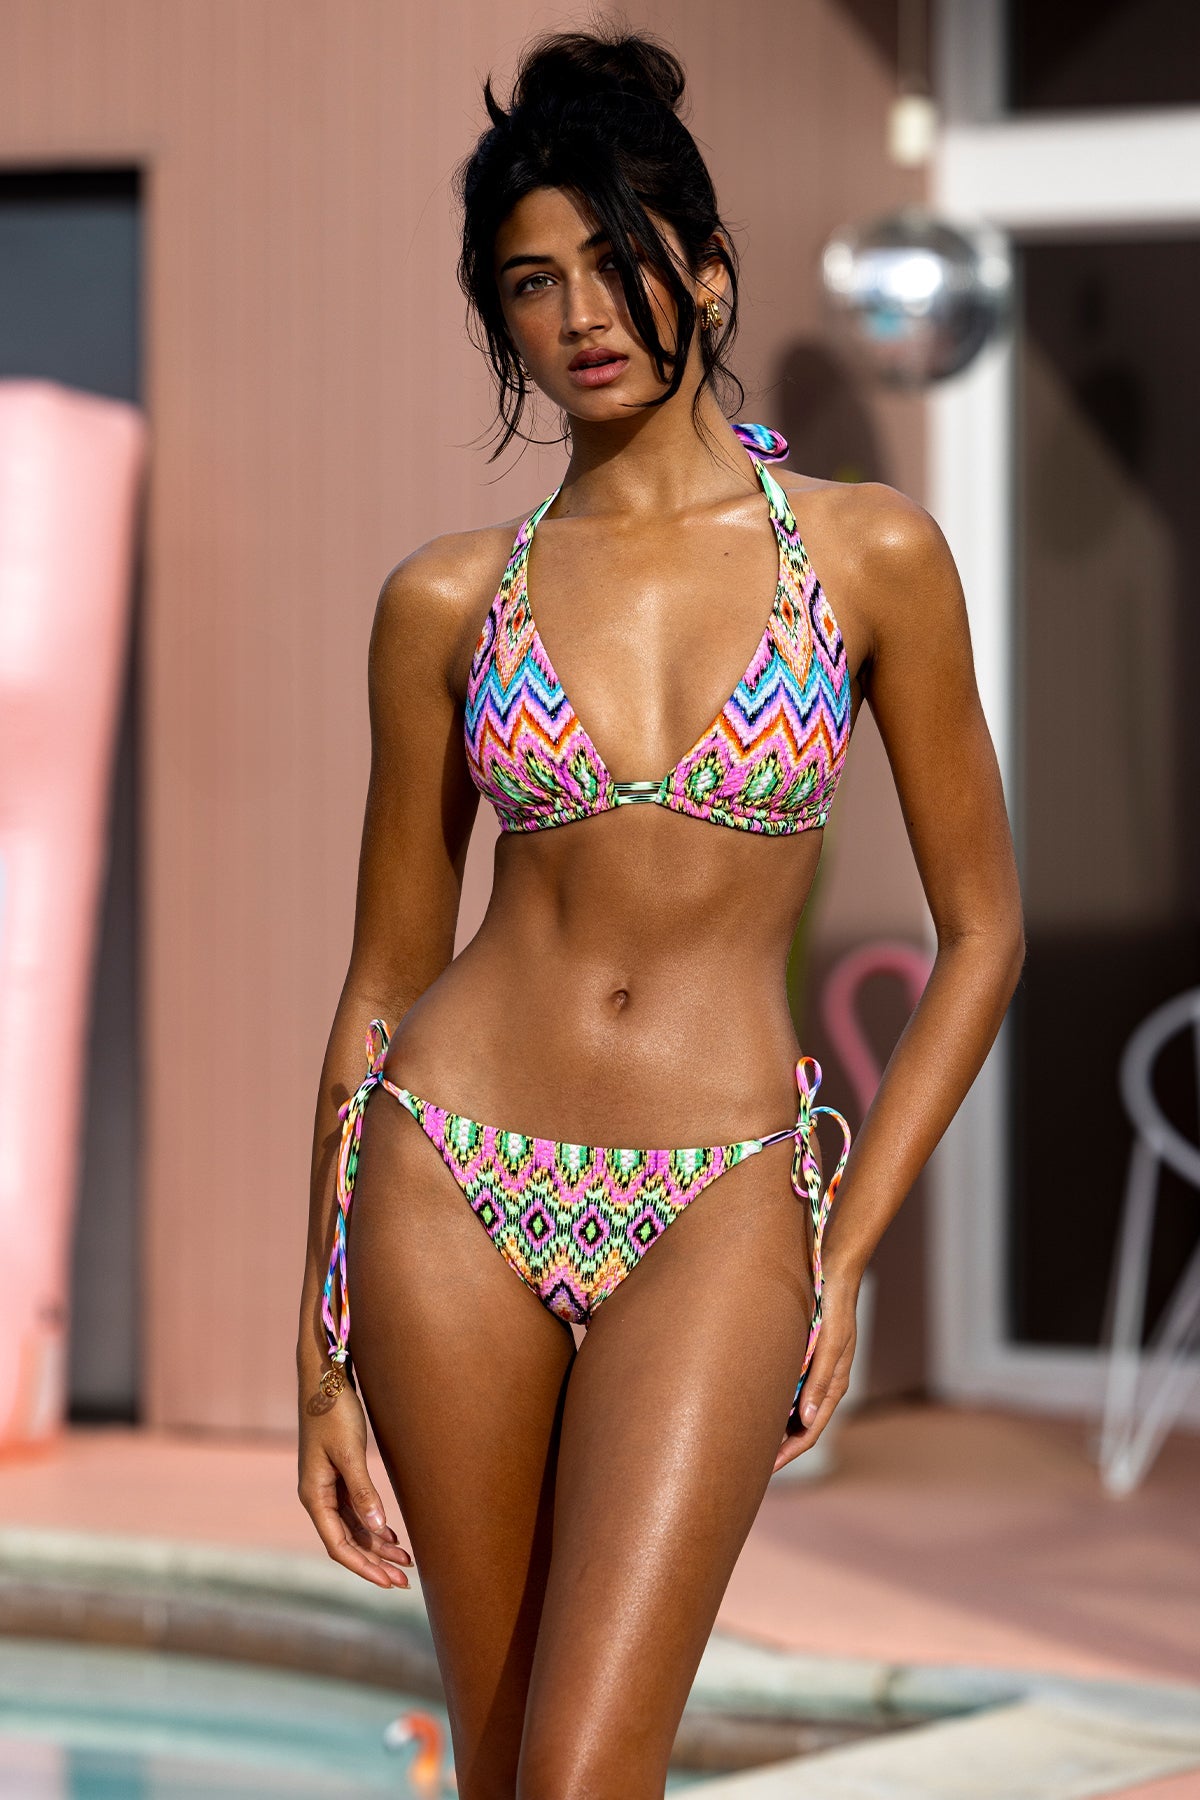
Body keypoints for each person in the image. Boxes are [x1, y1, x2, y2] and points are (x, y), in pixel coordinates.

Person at [295, 25, 1024, 1800]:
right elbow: (385, 975)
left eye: (616, 261)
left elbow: (984, 933)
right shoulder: (448, 601)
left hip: (716, 1199)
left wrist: (844, 1251)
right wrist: (316, 1355)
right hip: (448, 1178)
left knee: (583, 1773)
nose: (581, 314)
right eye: (530, 283)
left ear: (703, 266)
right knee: (501, 1769)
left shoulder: (868, 556)